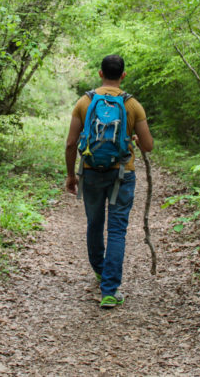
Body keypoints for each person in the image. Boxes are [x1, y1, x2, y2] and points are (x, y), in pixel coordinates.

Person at [65, 54, 153, 309]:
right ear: (123, 75)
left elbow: (71, 143)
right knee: (117, 230)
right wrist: (133, 139)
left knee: (94, 223)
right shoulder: (132, 105)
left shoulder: (85, 102)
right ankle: (110, 290)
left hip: (91, 172)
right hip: (122, 174)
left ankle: (101, 272)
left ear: (100, 73)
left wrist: (72, 175)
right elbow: (148, 145)